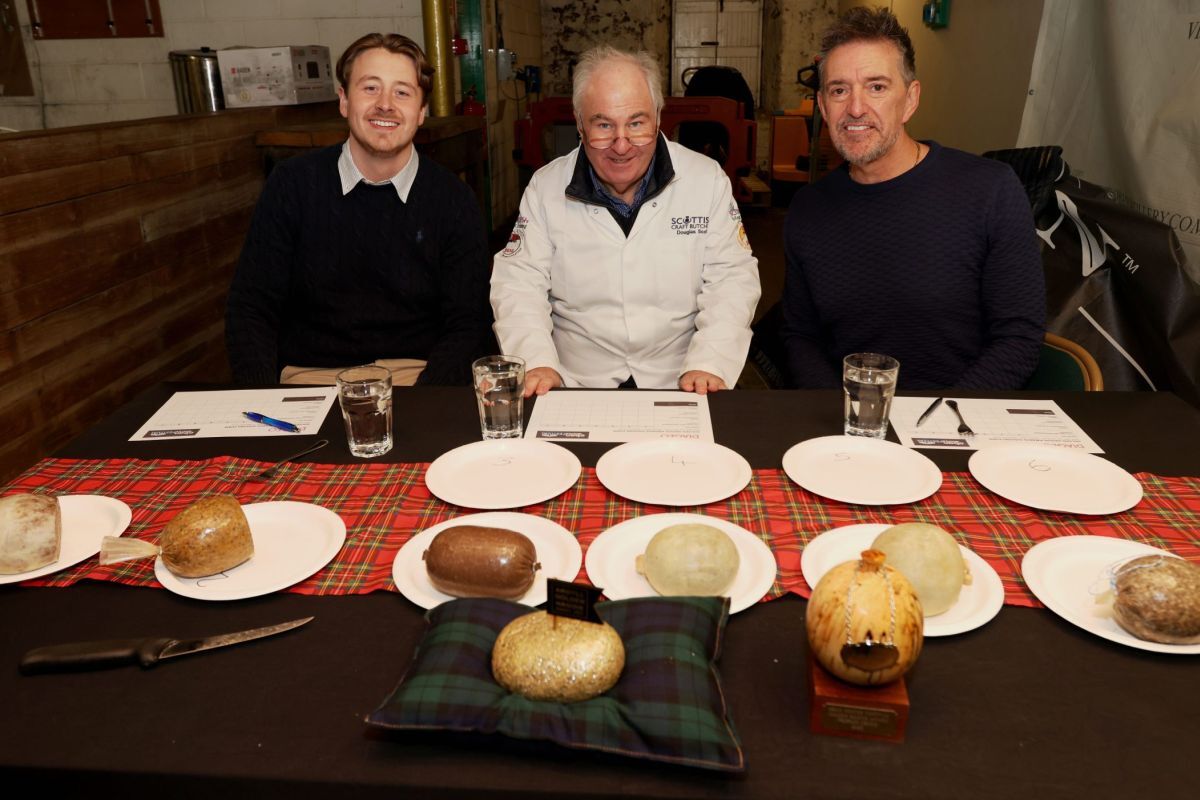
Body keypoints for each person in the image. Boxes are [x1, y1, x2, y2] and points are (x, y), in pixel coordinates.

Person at [780, 7, 1045, 390]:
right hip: (851, 428)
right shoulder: (808, 208)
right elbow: (799, 336)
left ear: (910, 99)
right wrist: (840, 415)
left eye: (877, 87)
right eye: (839, 90)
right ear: (822, 105)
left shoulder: (989, 191)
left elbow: (1019, 339)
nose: (855, 108)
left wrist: (937, 423)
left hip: (958, 423)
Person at [490, 45, 760, 397]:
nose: (621, 145)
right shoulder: (546, 187)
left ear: (658, 117)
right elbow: (519, 283)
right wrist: (537, 360)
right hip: (575, 383)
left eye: (636, 123)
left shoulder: (705, 180)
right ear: (579, 124)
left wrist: (710, 361)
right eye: (603, 125)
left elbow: (732, 279)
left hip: (681, 380)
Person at [226, 33, 492, 386]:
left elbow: (468, 322)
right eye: (370, 88)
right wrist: (261, 397)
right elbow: (252, 307)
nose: (385, 104)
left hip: (415, 376)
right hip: (313, 378)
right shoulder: (292, 185)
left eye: (402, 92)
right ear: (343, 101)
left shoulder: (453, 199)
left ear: (422, 111)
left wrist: (427, 403)